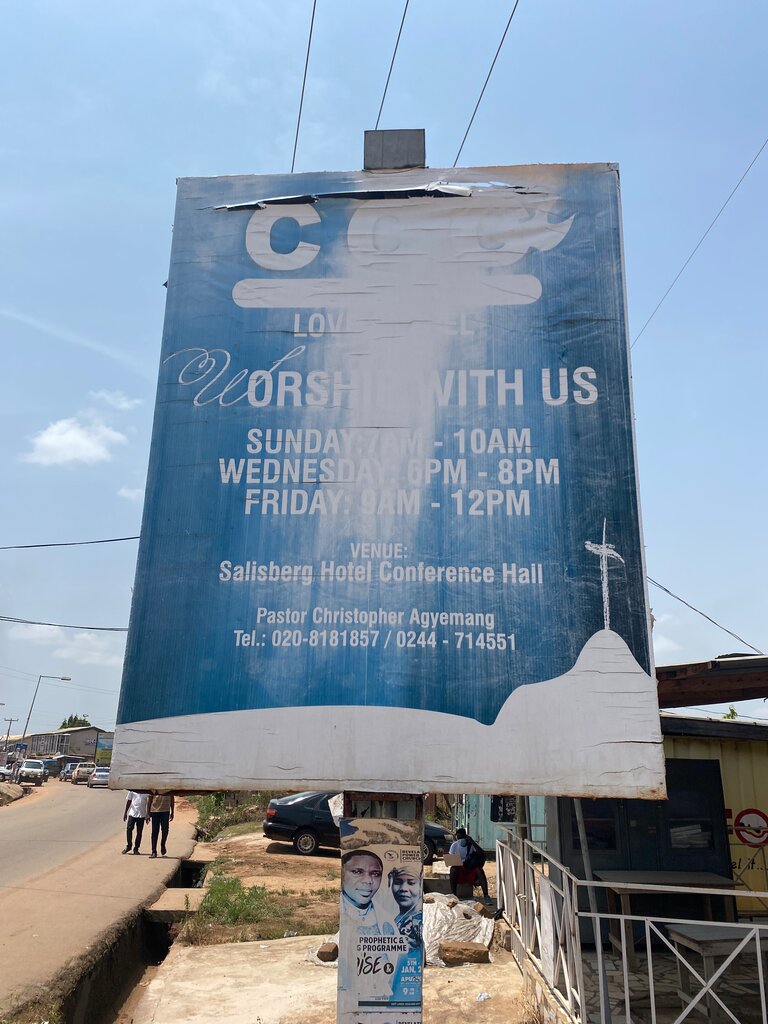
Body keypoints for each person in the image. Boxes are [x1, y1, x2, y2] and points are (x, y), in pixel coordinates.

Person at [340, 849, 386, 932]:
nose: (368, 880)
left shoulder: (386, 919)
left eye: (375, 874)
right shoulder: (334, 912)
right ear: (342, 874)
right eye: (357, 872)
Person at [448, 827, 490, 900]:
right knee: (453, 870)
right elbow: (451, 858)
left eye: (462, 837)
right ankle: (454, 894)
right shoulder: (454, 845)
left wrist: (472, 842)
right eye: (459, 837)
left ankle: (486, 895)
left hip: (470, 867)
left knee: (479, 870)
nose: (460, 839)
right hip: (459, 867)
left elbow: (481, 853)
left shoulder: (470, 844)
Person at [389, 865, 423, 951]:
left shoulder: (417, 921)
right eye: (398, 882)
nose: (403, 889)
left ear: (420, 887)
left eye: (411, 883)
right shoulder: (400, 917)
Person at [123, 790, 151, 854]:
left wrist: (148, 814)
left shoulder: (147, 792)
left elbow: (149, 803)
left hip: (142, 814)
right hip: (132, 813)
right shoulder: (132, 790)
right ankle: (129, 846)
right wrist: (125, 812)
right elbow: (129, 801)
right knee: (129, 829)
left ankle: (136, 848)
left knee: (139, 832)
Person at [149, 792, 175, 858]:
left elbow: (172, 798)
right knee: (155, 831)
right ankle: (154, 851)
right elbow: (150, 799)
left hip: (165, 810)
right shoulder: (154, 786)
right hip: (155, 810)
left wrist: (172, 811)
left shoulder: (169, 787)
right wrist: (148, 813)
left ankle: (163, 844)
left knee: (165, 830)